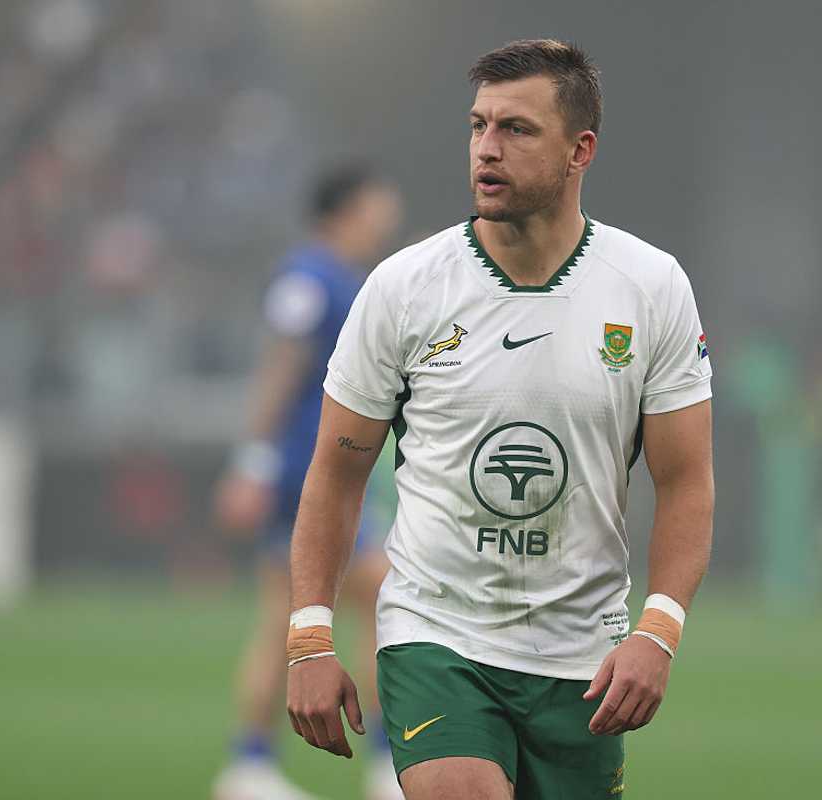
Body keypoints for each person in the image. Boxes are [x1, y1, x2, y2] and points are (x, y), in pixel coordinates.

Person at [285, 39, 715, 800]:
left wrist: (659, 629)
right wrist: (310, 634)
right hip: (436, 636)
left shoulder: (651, 288)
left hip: (582, 658)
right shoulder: (404, 290)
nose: (487, 148)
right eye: (479, 126)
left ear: (580, 149)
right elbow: (336, 471)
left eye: (516, 129)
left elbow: (686, 482)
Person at [212, 165, 404, 800]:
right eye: (380, 200)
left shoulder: (345, 279)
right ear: (349, 207)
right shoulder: (309, 276)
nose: (389, 212)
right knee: (377, 602)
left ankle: (250, 763)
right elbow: (281, 365)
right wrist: (255, 462)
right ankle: (382, 763)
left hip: (324, 469)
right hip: (305, 473)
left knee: (288, 615)